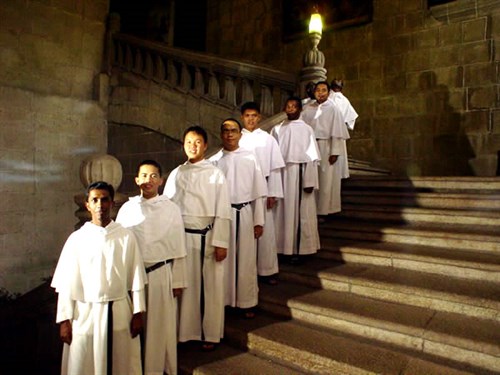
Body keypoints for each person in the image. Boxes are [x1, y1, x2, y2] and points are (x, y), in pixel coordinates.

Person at [51, 181, 146, 375]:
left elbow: (136, 278)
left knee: (122, 363)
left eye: (104, 200)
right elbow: (66, 283)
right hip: (85, 313)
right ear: (87, 204)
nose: (100, 205)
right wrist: (64, 320)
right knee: (84, 363)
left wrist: (138, 313)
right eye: (95, 200)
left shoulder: (125, 237)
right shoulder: (77, 239)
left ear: (112, 203)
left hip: (119, 310)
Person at [164, 125, 231, 352]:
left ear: (205, 145)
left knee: (209, 287)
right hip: (181, 238)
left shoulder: (214, 173)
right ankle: (184, 332)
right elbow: (167, 208)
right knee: (183, 287)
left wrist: (221, 242)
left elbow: (223, 210)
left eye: (198, 142)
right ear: (183, 145)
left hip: (206, 237)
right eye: (189, 142)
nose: (193, 146)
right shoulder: (177, 173)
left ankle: (208, 333)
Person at [116, 160, 187, 375]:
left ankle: (157, 369)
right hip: (133, 276)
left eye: (154, 176)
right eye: (144, 176)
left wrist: (178, 280)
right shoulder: (128, 208)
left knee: (158, 327)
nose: (149, 180)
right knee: (133, 325)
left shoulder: (171, 209)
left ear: (161, 181)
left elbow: (179, 247)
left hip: (160, 273)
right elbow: (119, 243)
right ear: (137, 180)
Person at [210, 118, 267, 318]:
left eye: (233, 130)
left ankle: (246, 301)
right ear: (221, 134)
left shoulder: (250, 158)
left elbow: (258, 192)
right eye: (225, 130)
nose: (230, 134)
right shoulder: (214, 161)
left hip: (244, 213)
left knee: (246, 259)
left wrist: (259, 221)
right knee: (223, 261)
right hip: (223, 215)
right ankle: (224, 301)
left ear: (240, 134)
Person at [239, 102, 285, 285]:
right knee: (246, 233)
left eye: (254, 115)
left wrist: (272, 193)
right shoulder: (237, 140)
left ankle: (267, 270)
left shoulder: (268, 140)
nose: (251, 119)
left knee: (266, 233)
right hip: (243, 192)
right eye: (247, 115)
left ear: (259, 117)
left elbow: (274, 169)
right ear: (242, 117)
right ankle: (246, 274)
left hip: (264, 190)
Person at [271, 97, 321, 263]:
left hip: (299, 175)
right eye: (288, 106)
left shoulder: (307, 130)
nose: (290, 108)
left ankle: (299, 250)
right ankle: (281, 248)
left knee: (299, 213)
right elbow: (272, 156)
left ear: (300, 109)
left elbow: (312, 158)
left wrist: (310, 181)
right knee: (281, 213)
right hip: (281, 175)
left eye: (294, 106)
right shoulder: (277, 129)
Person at [301, 81, 350, 216]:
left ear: (328, 93)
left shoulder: (333, 108)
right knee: (311, 178)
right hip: (310, 146)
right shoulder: (307, 108)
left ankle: (323, 210)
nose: (320, 93)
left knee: (325, 179)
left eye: (324, 90)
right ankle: (311, 210)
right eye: (318, 90)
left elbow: (337, 132)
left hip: (325, 146)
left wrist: (334, 152)